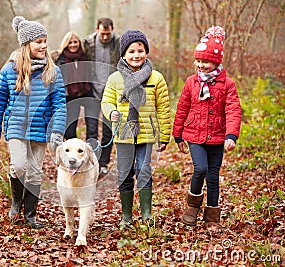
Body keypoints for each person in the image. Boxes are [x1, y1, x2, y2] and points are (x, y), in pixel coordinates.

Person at [0, 16, 66, 229]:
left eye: (45, 41)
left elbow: (59, 105)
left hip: (40, 129)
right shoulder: (9, 70)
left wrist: (57, 131)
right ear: (26, 44)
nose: (44, 45)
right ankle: (16, 201)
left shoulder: (53, 72)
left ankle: (30, 214)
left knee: (34, 171)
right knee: (19, 165)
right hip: (15, 127)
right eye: (38, 42)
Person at [172, 26, 241, 231]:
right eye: (199, 61)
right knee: (200, 168)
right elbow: (183, 107)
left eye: (206, 62)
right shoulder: (191, 82)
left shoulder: (228, 84)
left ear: (216, 62)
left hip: (218, 137)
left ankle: (212, 216)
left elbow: (233, 109)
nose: (201, 65)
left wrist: (231, 135)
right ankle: (192, 207)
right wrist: (177, 135)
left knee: (213, 176)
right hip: (194, 135)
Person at [101, 30, 172, 226]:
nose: (136, 55)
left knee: (143, 169)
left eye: (140, 50)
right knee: (124, 173)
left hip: (146, 134)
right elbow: (106, 102)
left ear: (146, 52)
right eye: (131, 51)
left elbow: (164, 108)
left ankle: (146, 214)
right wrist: (111, 112)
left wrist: (164, 136)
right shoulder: (115, 79)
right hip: (123, 134)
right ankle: (126, 216)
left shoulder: (156, 78)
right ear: (123, 54)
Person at [84, 18, 121, 175]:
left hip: (111, 94)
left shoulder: (119, 43)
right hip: (92, 92)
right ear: (96, 29)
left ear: (112, 29)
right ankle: (91, 162)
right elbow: (74, 55)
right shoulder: (88, 43)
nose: (105, 37)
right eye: (102, 33)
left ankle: (103, 163)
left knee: (107, 131)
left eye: (108, 33)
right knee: (91, 130)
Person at [53, 31, 92, 140]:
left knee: (92, 128)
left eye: (75, 42)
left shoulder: (85, 57)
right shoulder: (60, 59)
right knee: (69, 131)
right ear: (66, 44)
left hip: (85, 93)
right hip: (69, 96)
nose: (73, 45)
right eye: (70, 42)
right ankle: (71, 152)